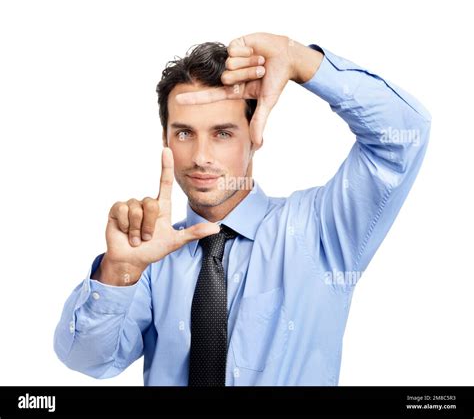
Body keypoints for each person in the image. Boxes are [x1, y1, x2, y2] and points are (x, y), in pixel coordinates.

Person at [54, 32, 431, 386]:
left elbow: (404, 133)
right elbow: (87, 360)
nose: (201, 157)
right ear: (165, 138)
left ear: (255, 133)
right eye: (184, 133)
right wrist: (120, 271)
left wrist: (303, 62)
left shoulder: (320, 230)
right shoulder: (150, 254)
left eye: (222, 133)